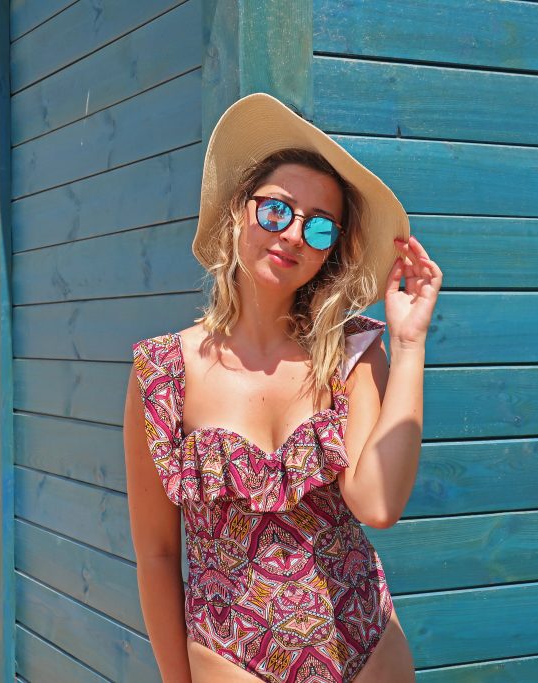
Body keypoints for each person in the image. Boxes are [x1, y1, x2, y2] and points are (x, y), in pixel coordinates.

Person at [123, 93, 440, 682]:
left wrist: (410, 343)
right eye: (277, 211)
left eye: (319, 227)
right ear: (237, 214)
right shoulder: (162, 371)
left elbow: (376, 503)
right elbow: (158, 555)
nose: (294, 234)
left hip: (365, 648)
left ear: (331, 253)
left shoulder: (352, 353)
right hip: (231, 659)